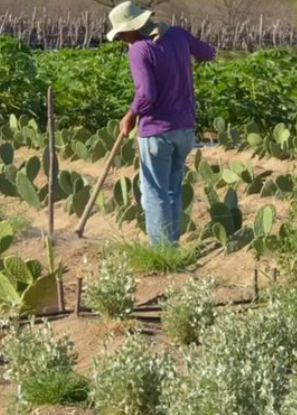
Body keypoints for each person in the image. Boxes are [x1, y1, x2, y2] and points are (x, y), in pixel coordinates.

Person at [107, 1, 215, 245]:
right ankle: (171, 244)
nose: (122, 39)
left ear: (133, 28)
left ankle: (160, 250)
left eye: (122, 34)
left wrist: (130, 115)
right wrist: (180, 57)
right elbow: (208, 53)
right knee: (172, 189)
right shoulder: (177, 34)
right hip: (185, 129)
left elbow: (146, 94)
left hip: (156, 131)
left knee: (154, 192)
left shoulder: (139, 49)